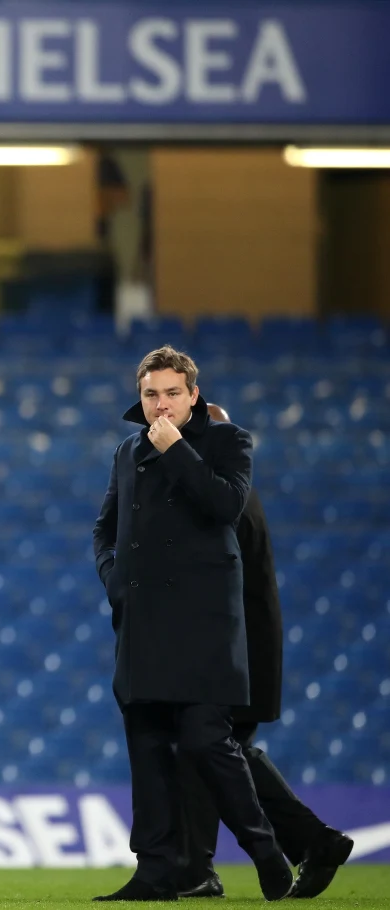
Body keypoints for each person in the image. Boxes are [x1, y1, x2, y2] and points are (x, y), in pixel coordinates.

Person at [92, 346, 293, 902]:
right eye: (151, 394)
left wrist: (177, 450)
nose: (160, 405)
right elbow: (104, 529)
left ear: (193, 395)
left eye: (172, 393)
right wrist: (114, 579)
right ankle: (154, 871)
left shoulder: (229, 441)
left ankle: (267, 853)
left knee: (209, 743)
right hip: (143, 622)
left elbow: (226, 505)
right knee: (148, 750)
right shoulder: (126, 451)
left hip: (204, 624)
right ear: (140, 395)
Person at [174, 404, 355, 900]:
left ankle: (312, 841)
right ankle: (201, 870)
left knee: (211, 746)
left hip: (233, 653)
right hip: (245, 647)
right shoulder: (237, 495)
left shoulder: (220, 499)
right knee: (207, 751)